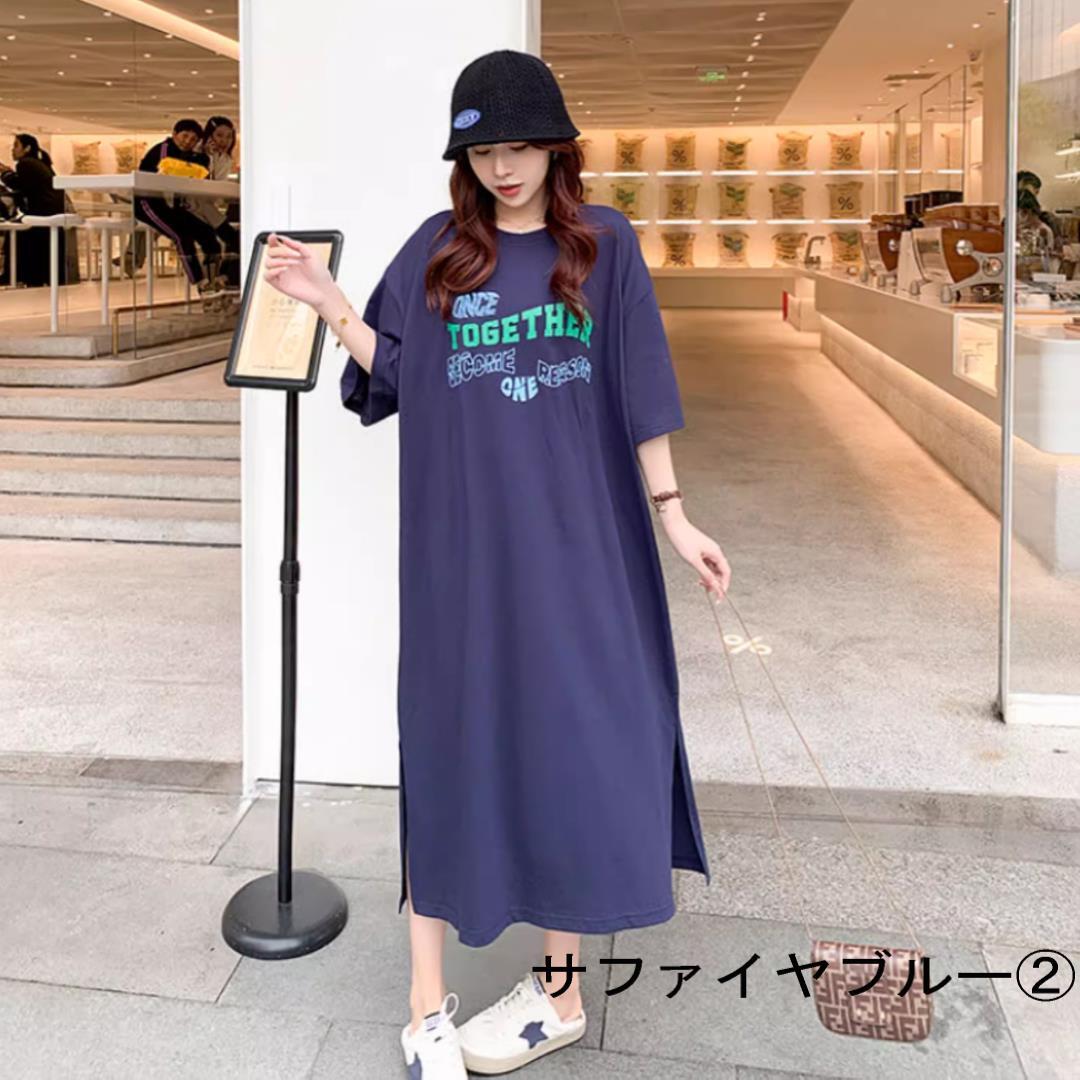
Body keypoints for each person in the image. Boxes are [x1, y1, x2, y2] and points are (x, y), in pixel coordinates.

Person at [263, 49, 732, 1080]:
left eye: (521, 147)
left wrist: (675, 516)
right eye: (483, 153)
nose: (504, 169)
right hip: (463, 556)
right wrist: (330, 299)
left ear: (557, 148)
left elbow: (641, 382)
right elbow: (396, 374)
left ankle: (559, 993)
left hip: (579, 548)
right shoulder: (439, 254)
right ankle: (423, 1003)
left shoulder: (604, 244)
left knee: (568, 741)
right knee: (449, 743)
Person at [133, 119, 227, 306]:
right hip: (149, 203)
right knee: (182, 237)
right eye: (185, 136)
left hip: (174, 206)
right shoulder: (163, 150)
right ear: (174, 134)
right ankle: (201, 283)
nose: (187, 141)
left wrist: (204, 155)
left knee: (208, 235)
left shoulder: (192, 155)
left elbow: (201, 172)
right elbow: (168, 169)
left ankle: (213, 280)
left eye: (193, 139)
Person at [0, 133, 68, 287]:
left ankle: (14, 275)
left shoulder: (26, 163)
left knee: (15, 231)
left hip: (43, 213)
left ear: (27, 148)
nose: (12, 149)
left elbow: (19, 185)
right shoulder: (39, 163)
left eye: (16, 145)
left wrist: (5, 173)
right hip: (53, 212)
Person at [185, 115, 240, 287]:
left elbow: (216, 186)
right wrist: (207, 157)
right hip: (192, 207)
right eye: (219, 135)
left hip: (207, 207)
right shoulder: (196, 154)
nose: (224, 141)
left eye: (229, 136)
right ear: (209, 136)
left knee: (234, 239)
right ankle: (210, 282)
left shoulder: (226, 159)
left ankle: (222, 278)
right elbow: (202, 180)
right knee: (214, 243)